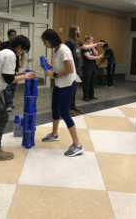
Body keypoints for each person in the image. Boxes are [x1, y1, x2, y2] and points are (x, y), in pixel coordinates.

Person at [40, 29, 104, 157]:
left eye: (45, 42)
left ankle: (77, 145)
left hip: (67, 85)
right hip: (59, 84)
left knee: (65, 113)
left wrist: (54, 74)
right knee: (55, 109)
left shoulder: (64, 50)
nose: (44, 44)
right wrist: (49, 67)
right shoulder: (55, 49)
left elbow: (70, 69)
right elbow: (59, 67)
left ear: (51, 40)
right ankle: (54, 134)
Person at [0, 29, 25, 112]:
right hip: (6, 68)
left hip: (15, 68)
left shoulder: (18, 46)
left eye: (15, 35)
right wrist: (25, 76)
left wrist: (22, 62)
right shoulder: (4, 45)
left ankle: (10, 101)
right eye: (12, 35)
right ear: (8, 36)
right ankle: (8, 104)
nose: (13, 36)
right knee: (7, 86)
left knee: (13, 86)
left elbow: (23, 54)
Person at [81, 34, 103, 102]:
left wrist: (92, 46)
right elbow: (89, 57)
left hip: (93, 66)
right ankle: (86, 96)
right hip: (87, 67)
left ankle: (91, 95)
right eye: (91, 40)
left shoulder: (92, 47)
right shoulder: (84, 47)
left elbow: (96, 54)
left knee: (93, 81)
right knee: (86, 82)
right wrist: (98, 57)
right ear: (87, 40)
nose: (93, 41)